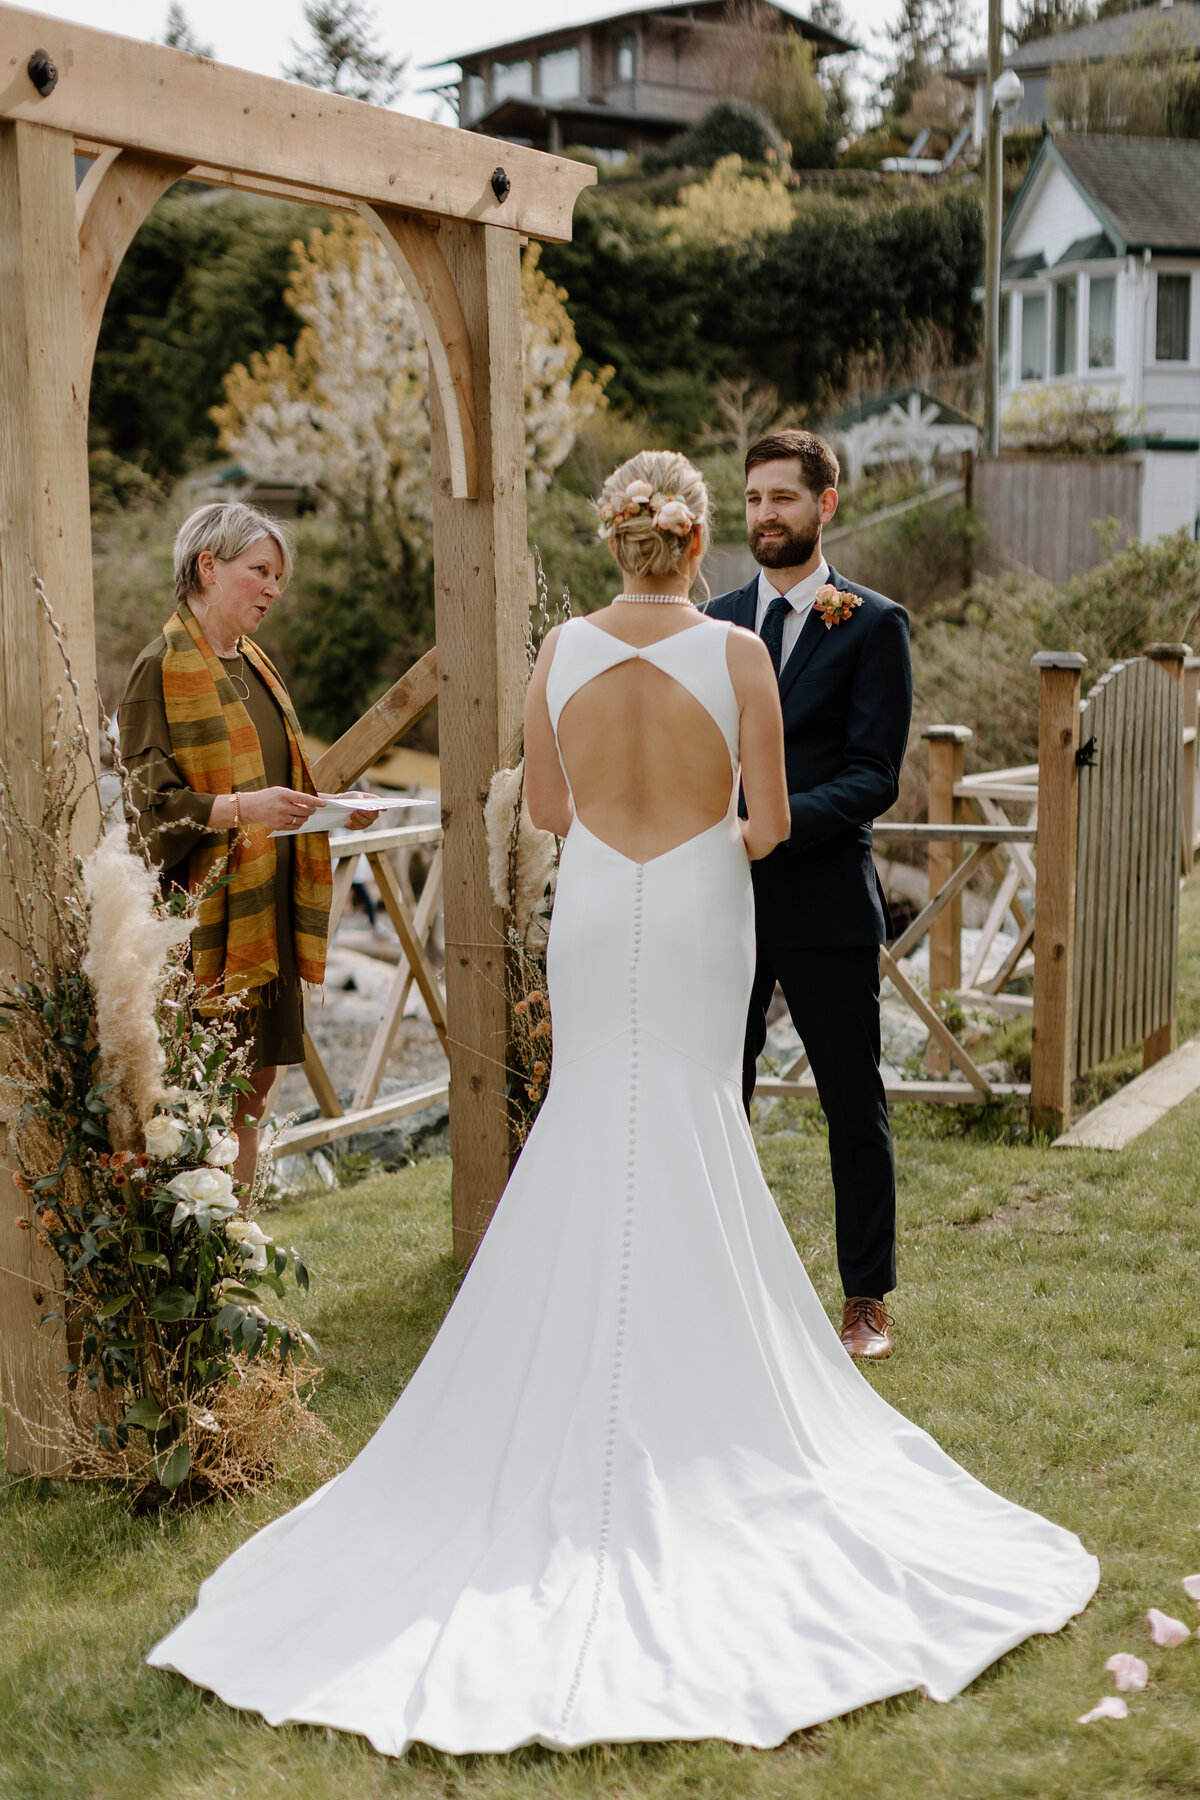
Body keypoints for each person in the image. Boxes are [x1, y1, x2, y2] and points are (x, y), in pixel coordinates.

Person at [147, 453, 1096, 1755]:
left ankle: (576, 1361)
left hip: (596, 911)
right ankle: (708, 1379)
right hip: (702, 904)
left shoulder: (558, 656)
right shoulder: (741, 656)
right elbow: (768, 821)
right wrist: (711, 829)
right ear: (698, 537)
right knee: (697, 1122)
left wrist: (621, 823)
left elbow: (545, 807)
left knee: (597, 1119)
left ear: (613, 539)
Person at [706, 430, 911, 1362]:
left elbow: (874, 775)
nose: (764, 516)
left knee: (851, 1103)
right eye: (752, 499)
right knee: (717, 1091)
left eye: (782, 498)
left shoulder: (872, 623)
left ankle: (865, 1299)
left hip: (825, 903)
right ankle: (719, 1282)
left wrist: (774, 823)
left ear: (826, 504)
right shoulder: (707, 623)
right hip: (719, 901)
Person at [119, 502, 376, 1189]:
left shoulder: (257, 664)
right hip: (204, 930)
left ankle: (235, 1244)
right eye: (260, 571)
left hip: (267, 920)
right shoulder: (160, 669)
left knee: (253, 1098)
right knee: (198, 1103)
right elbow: (146, 815)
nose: (272, 590)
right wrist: (242, 810)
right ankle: (199, 1263)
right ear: (208, 566)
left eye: (278, 579)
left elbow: (277, 788)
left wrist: (326, 811)